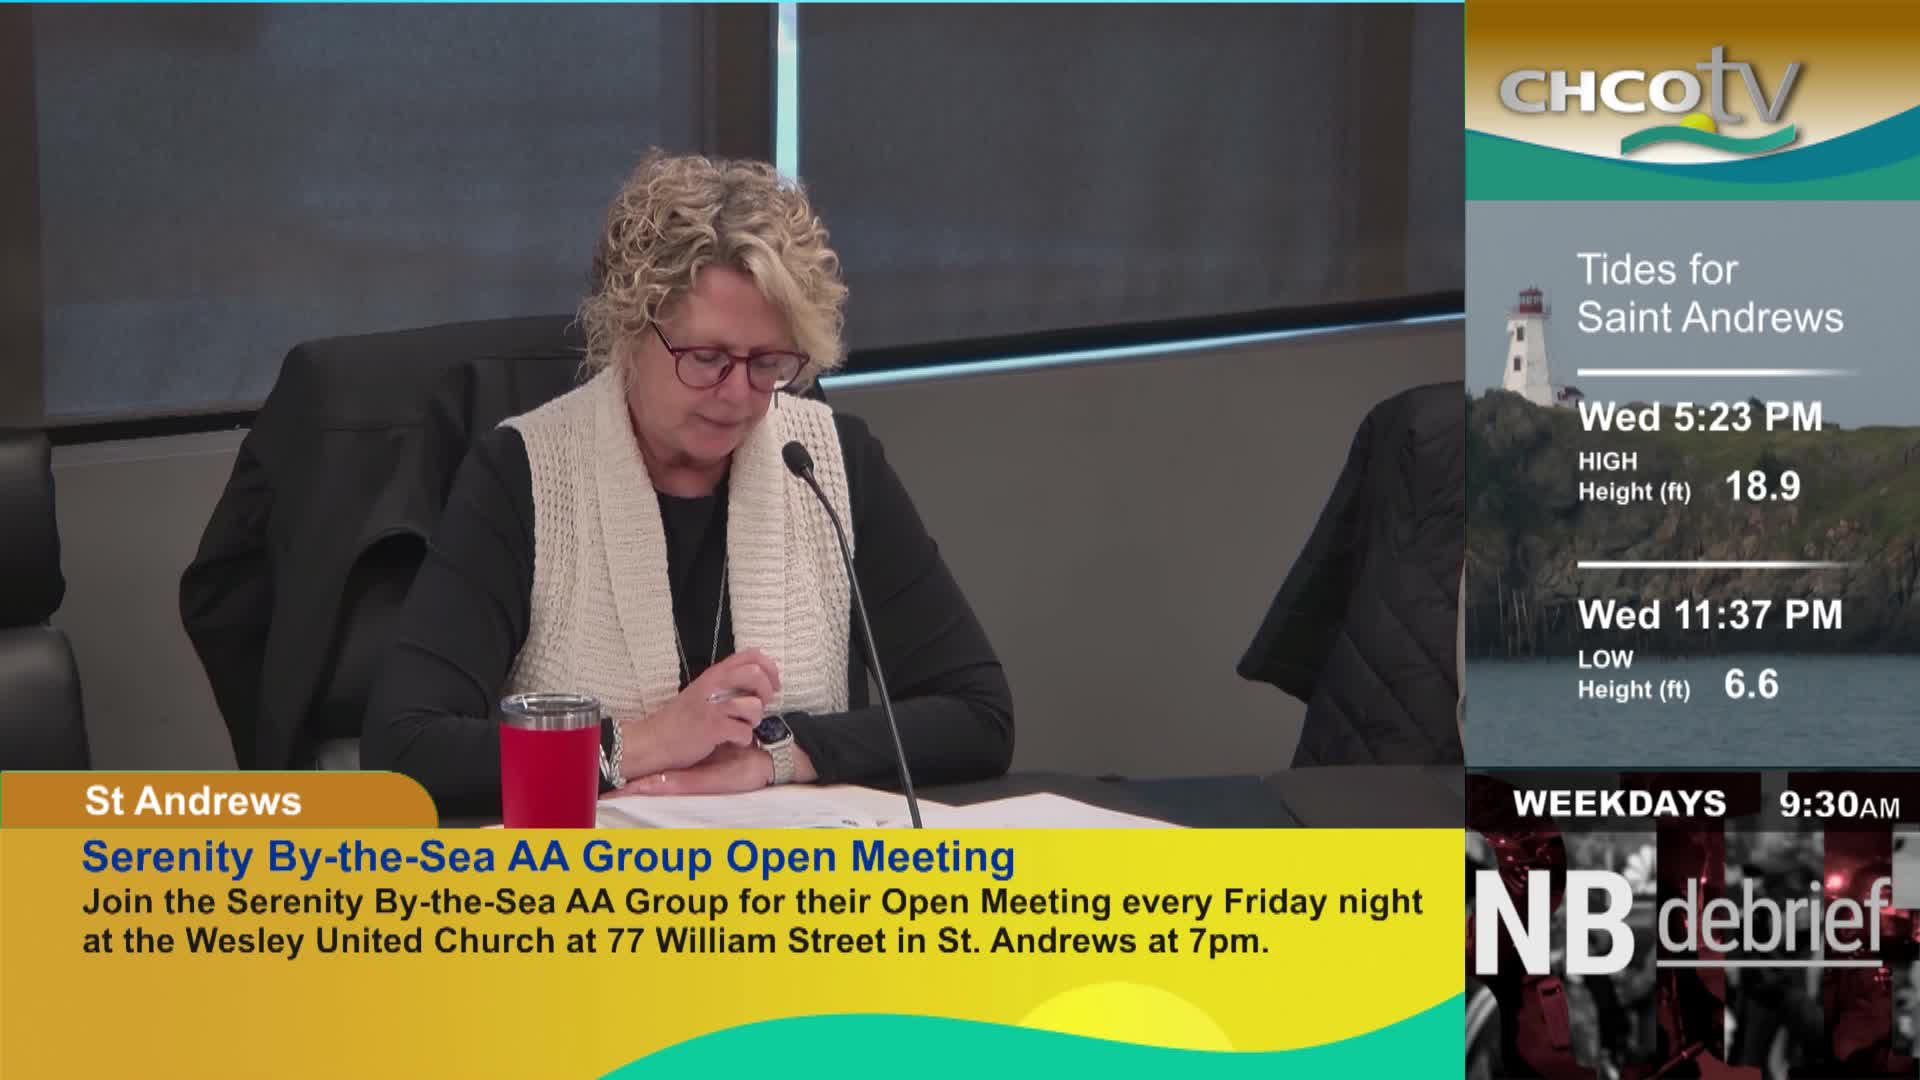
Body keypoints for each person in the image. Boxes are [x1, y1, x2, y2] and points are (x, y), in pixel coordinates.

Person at [363, 151, 1014, 814]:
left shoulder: (826, 464)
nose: (738, 394)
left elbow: (979, 714)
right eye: (706, 358)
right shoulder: (524, 476)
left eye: (768, 362)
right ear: (629, 329)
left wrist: (776, 755)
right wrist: (643, 743)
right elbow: (404, 749)